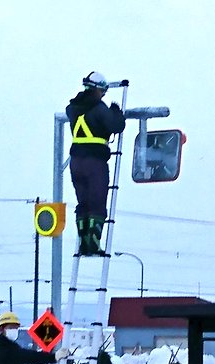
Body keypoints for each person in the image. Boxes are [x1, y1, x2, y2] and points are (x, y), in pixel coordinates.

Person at [66, 70, 126, 256]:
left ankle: (83, 243)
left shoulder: (72, 109)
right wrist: (115, 111)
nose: (103, 95)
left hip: (76, 163)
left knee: (83, 203)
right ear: (97, 89)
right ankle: (93, 244)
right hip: (95, 162)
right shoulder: (99, 108)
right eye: (103, 91)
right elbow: (116, 125)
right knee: (97, 203)